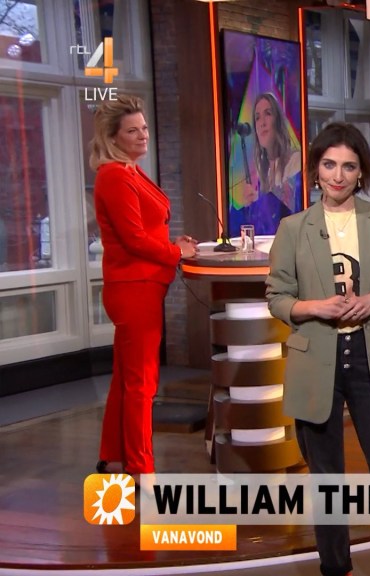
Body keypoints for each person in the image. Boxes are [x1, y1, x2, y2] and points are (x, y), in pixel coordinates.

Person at [266, 122, 370, 576]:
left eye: (348, 166)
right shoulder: (293, 228)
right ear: (315, 170)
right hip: (316, 359)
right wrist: (314, 307)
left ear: (362, 173)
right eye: (329, 165)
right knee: (326, 479)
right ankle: (335, 568)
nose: (337, 176)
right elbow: (277, 297)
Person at [90, 95, 198, 475]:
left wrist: (173, 244)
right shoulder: (114, 176)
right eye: (132, 131)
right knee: (142, 382)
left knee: (126, 376)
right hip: (133, 289)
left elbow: (145, 229)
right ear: (113, 138)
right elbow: (133, 239)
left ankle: (114, 451)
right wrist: (176, 252)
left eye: (145, 128)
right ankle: (141, 467)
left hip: (143, 285)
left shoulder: (130, 171)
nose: (143, 135)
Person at [237, 92, 302, 234]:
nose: (262, 123)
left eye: (268, 113)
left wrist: (260, 204)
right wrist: (250, 205)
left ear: (278, 121)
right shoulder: (263, 170)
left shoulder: (296, 160)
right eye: (257, 118)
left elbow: (291, 210)